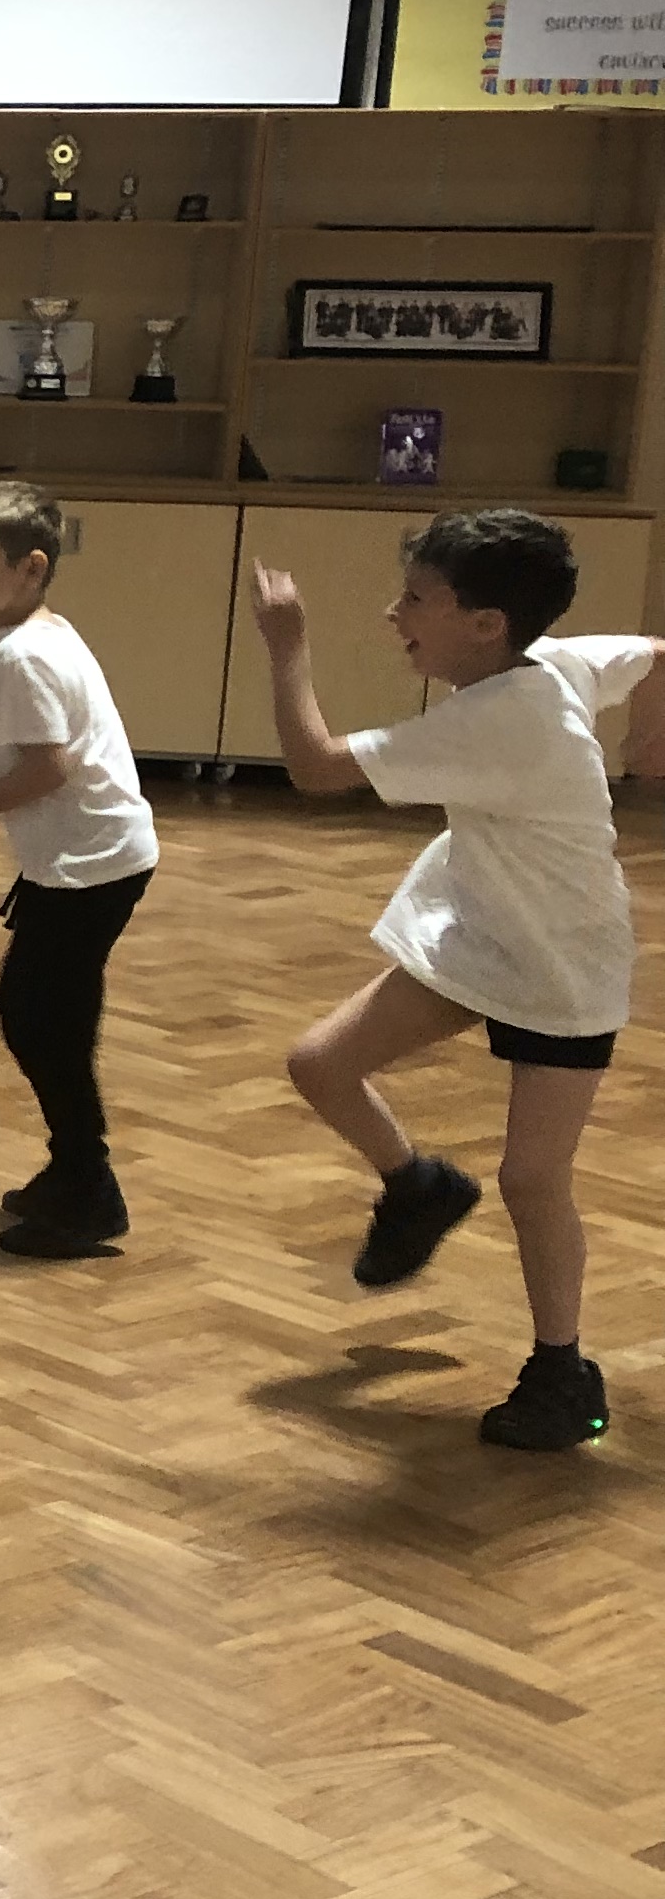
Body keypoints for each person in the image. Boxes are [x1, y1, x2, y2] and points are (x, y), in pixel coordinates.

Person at [249, 510, 662, 1451]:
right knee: (320, 1064)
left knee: (532, 1177)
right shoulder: (550, 662)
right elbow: (657, 649)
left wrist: (289, 647)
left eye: (416, 600)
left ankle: (563, 1371)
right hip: (480, 937)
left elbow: (315, 770)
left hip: (562, 969)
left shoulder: (502, 718)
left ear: (486, 623)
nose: (395, 613)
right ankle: (419, 1186)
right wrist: (652, 737)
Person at [0, 481, 158, 1259]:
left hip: (90, 866)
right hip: (94, 861)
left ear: (31, 568)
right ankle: (74, 1169)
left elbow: (47, 771)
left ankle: (87, 1186)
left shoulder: (24, 656)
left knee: (43, 1020)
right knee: (43, 1017)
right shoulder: (40, 638)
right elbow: (40, 754)